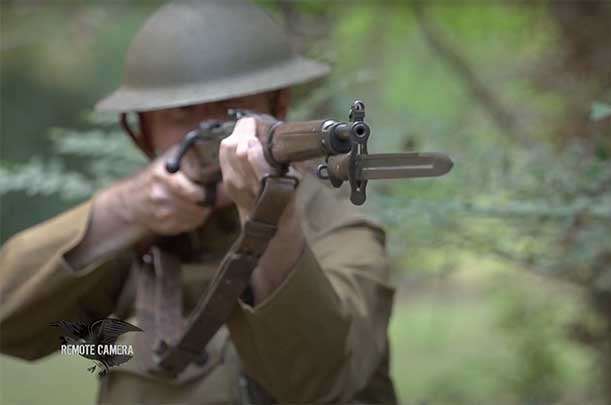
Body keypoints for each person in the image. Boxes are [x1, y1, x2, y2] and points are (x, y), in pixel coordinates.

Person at [0, 1, 397, 404]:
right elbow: (10, 326)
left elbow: (320, 383)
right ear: (142, 130)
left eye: (231, 112)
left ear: (277, 108)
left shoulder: (338, 230)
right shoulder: (133, 235)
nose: (214, 138)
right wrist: (123, 211)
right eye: (182, 112)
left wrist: (273, 220)